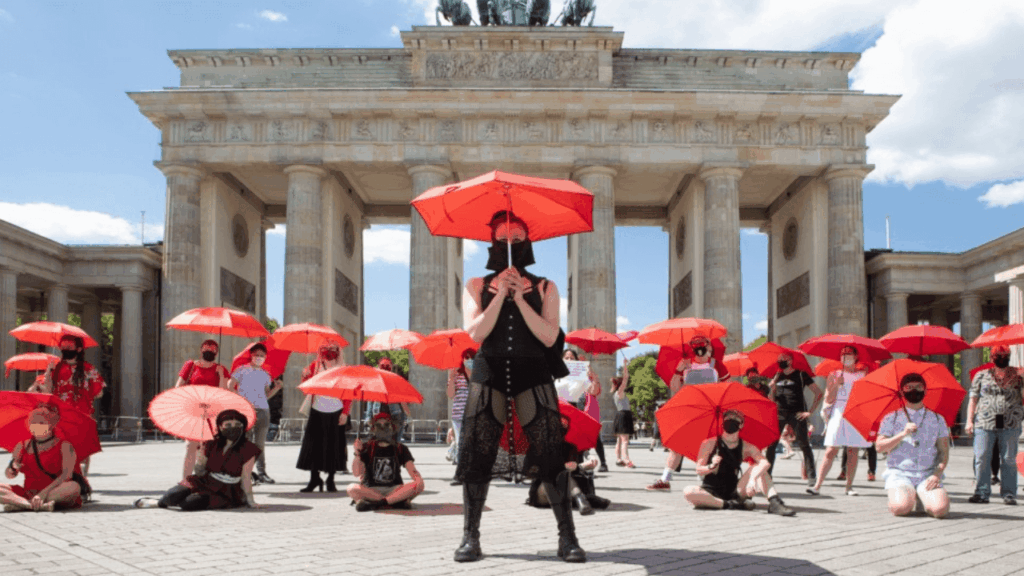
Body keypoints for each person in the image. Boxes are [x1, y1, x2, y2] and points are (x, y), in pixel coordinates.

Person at [455, 210, 585, 563]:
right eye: (502, 239)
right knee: (477, 451)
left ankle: (567, 537)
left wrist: (522, 298)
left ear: (529, 243)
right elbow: (475, 334)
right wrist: (500, 296)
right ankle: (471, 537)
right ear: (491, 244)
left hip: (533, 372)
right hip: (489, 371)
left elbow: (548, 337)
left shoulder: (546, 286)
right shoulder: (476, 286)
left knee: (550, 453)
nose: (510, 245)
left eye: (517, 238)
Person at [682, 410, 795, 516]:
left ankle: (775, 503)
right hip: (710, 491)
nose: (731, 420)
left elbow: (765, 463)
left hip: (735, 491)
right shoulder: (709, 443)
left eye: (735, 419)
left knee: (758, 468)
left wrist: (752, 480)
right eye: (728, 418)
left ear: (741, 425)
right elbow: (698, 470)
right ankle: (729, 505)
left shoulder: (746, 446)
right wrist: (711, 466)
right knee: (689, 491)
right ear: (723, 422)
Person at [647, 336, 721, 491]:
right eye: (697, 347)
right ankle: (665, 480)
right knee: (677, 446)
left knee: (706, 446)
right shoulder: (686, 365)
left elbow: (724, 387)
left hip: (709, 410)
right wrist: (678, 370)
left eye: (704, 346)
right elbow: (675, 387)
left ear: (710, 349)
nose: (700, 350)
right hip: (689, 408)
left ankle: (704, 481)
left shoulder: (715, 365)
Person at [153, 409, 260, 511]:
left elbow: (246, 477)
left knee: (188, 504)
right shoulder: (211, 443)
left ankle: (191, 498)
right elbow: (200, 470)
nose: (233, 428)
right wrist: (200, 457)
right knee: (170, 497)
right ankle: (155, 502)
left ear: (243, 426)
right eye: (228, 425)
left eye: (238, 425)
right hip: (205, 480)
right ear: (220, 427)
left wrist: (251, 500)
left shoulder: (249, 449)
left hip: (225, 490)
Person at [875, 373, 950, 518]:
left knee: (940, 511)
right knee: (900, 509)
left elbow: (943, 452)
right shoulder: (891, 418)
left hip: (927, 474)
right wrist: (902, 434)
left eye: (919, 387)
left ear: (925, 390)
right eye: (909, 387)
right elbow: (879, 447)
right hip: (900, 474)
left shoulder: (937, 418)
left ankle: (922, 496)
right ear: (902, 391)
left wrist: (937, 474)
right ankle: (907, 496)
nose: (914, 390)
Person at [808, 346, 872, 496]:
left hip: (856, 411)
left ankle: (849, 487)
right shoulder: (834, 374)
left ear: (856, 356)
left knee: (853, 450)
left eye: (849, 354)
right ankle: (817, 485)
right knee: (831, 449)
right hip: (839, 410)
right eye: (843, 354)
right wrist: (837, 385)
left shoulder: (863, 374)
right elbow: (829, 398)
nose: (846, 356)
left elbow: (867, 395)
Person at [1, 404, 86, 512]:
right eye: (33, 422)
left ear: (51, 425)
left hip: (54, 491)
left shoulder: (64, 445)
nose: (36, 425)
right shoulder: (22, 446)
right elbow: (9, 475)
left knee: (74, 487)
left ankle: (20, 503)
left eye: (41, 423)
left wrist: (42, 494)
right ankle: (31, 505)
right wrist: (12, 468)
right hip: (28, 492)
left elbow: (66, 475)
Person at [41, 335, 105, 477]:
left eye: (68, 347)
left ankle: (79, 480)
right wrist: (48, 371)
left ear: (79, 349)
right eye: (63, 347)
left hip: (73, 416)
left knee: (76, 450)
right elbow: (47, 391)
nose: (65, 349)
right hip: (66, 416)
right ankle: (76, 481)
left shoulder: (85, 369)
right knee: (70, 450)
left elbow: (99, 392)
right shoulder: (59, 368)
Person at [966, 345, 1023, 505]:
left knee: (1009, 459)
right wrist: (969, 420)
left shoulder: (1019, 375)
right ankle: (982, 492)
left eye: (1005, 354)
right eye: (998, 355)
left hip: (1011, 422)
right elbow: (973, 398)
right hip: (984, 422)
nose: (1002, 357)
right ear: (991, 357)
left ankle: (1009, 493)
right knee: (982, 456)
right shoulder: (981, 375)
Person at [526, 415, 611, 515]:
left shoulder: (571, 446)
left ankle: (583, 499)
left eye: (564, 428)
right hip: (542, 493)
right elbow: (535, 472)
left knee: (564, 474)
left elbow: (581, 459)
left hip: (564, 494)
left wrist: (584, 464)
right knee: (560, 473)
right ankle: (582, 498)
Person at [297, 342, 352, 492]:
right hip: (317, 409)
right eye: (326, 355)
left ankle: (330, 480)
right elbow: (306, 388)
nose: (329, 359)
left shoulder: (343, 369)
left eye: (332, 355)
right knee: (313, 447)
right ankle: (314, 479)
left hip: (336, 410)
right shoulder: (314, 366)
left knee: (334, 447)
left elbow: (348, 393)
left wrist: (345, 412)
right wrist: (304, 377)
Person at [173, 339, 231, 480]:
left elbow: (225, 392)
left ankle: (203, 477)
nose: (209, 351)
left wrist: (222, 376)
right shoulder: (191, 365)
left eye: (212, 349)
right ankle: (186, 480)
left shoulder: (221, 369)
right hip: (193, 410)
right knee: (191, 445)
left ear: (216, 352)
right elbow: (178, 387)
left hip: (212, 412)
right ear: (201, 350)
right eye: (206, 348)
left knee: (207, 447)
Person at [347, 412, 424, 511]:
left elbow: (412, 471)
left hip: (394, 489)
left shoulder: (400, 448)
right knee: (351, 488)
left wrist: (418, 481)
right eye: (378, 425)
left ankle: (379, 503)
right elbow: (357, 473)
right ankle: (395, 501)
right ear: (373, 428)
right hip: (371, 489)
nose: (383, 427)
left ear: (392, 427)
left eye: (386, 424)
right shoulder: (366, 447)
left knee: (419, 484)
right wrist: (357, 452)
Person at [229, 343, 282, 485]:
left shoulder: (265, 374)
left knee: (259, 444)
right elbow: (229, 385)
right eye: (257, 355)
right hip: (246, 410)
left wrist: (276, 389)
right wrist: (240, 400)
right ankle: (241, 472)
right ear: (251, 355)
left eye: (262, 356)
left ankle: (262, 473)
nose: (259, 358)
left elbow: (266, 395)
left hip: (263, 410)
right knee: (243, 442)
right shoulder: (241, 370)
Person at [765, 352, 822, 484]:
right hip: (779, 413)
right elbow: (771, 399)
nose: (780, 361)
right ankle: (767, 475)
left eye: (783, 359)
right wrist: (772, 388)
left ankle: (811, 476)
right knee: (772, 445)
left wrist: (810, 412)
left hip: (797, 413)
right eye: (779, 359)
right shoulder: (777, 376)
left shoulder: (801, 374)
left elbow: (818, 392)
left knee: (804, 444)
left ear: (790, 361)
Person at [446, 349, 474, 485]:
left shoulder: (477, 374)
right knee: (460, 444)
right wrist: (451, 378)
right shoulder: (456, 374)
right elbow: (450, 395)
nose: (468, 360)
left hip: (473, 414)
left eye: (471, 358)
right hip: (458, 414)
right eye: (466, 358)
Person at [378, 358, 411, 441]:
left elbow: (370, 400)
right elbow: (402, 401)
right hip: (396, 415)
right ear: (391, 368)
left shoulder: (376, 382)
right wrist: (408, 415)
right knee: (395, 441)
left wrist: (368, 416)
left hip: (380, 415)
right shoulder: (395, 381)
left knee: (381, 441)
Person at [610, 356, 635, 468]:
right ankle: (627, 460)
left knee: (619, 440)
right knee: (625, 440)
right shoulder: (620, 392)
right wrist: (625, 364)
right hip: (624, 415)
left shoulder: (616, 393)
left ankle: (619, 459)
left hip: (620, 415)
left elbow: (624, 379)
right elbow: (626, 378)